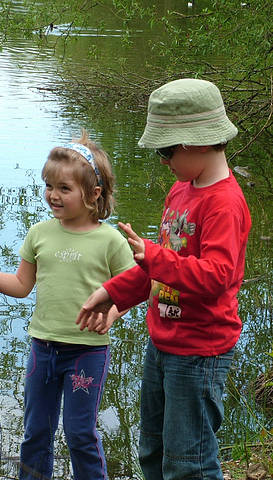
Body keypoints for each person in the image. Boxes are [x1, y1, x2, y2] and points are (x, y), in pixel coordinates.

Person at [76, 78, 252, 480]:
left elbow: (217, 276)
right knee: (152, 450)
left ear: (200, 142)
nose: (162, 159)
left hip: (199, 353)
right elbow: (159, 271)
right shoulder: (180, 192)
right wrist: (111, 294)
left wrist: (154, 255)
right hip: (163, 344)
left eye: (166, 150)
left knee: (189, 463)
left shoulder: (224, 204)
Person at [0, 130, 135, 480]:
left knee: (79, 433)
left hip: (87, 351)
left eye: (64, 189)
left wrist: (111, 315)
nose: (53, 196)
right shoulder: (39, 233)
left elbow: (132, 289)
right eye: (49, 186)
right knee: (35, 431)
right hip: (43, 348)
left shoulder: (111, 240)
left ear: (93, 195)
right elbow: (22, 285)